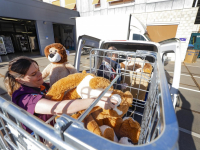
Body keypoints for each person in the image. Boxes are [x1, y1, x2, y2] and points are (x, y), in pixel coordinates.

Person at [4, 56, 117, 133]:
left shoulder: (40, 86)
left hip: (57, 129)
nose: (40, 74)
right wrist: (95, 101)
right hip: (44, 138)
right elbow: (57, 107)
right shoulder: (23, 98)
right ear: (20, 80)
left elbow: (63, 90)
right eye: (33, 74)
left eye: (38, 70)